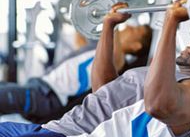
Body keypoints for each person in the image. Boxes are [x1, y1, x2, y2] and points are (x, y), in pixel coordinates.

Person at [0, 0, 190, 137]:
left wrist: (171, 22)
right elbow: (103, 88)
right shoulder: (165, 76)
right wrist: (108, 26)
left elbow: (158, 106)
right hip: (51, 131)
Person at [0, 25, 152, 123]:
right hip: (39, 86)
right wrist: (82, 15)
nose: (129, 27)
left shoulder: (117, 63)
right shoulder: (101, 49)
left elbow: (116, 61)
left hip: (47, 96)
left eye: (134, 30)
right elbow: (80, 41)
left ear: (136, 45)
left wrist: (114, 23)